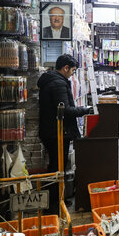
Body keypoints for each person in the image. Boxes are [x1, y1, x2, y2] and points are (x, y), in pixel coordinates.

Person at [38, 54, 93, 213]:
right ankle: (53, 204)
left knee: (57, 165)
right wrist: (84, 110)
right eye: (72, 71)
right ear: (65, 68)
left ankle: (57, 198)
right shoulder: (58, 83)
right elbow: (65, 110)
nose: (72, 74)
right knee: (57, 167)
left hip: (52, 131)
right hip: (56, 132)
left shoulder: (52, 80)